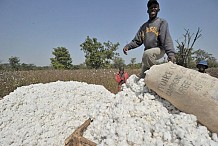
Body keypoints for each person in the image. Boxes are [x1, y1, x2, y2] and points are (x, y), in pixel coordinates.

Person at [123, 0, 176, 78]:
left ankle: (158, 76)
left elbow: (166, 39)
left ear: (158, 9)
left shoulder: (162, 22)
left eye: (155, 7)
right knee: (142, 78)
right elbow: (137, 41)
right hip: (147, 53)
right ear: (148, 10)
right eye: (151, 7)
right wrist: (128, 46)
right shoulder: (144, 26)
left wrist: (171, 54)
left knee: (147, 55)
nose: (153, 8)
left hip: (159, 49)